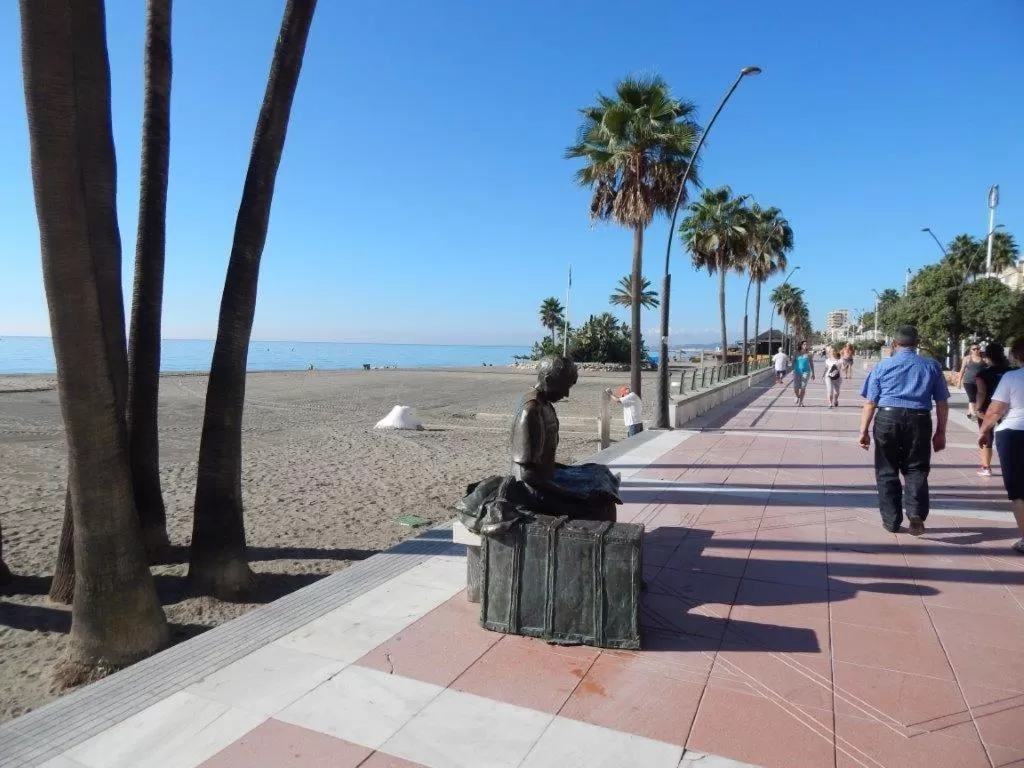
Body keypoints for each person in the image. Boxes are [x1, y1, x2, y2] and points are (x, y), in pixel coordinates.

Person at [858, 326, 950, 535]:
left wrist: (863, 431)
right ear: (916, 344)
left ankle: (891, 520)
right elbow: (942, 402)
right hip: (919, 419)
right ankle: (916, 512)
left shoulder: (883, 366)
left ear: (894, 344)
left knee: (886, 469)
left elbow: (871, 402)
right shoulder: (931, 366)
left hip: (888, 418)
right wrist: (941, 431)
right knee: (916, 468)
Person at [978, 338, 1024, 554]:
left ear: (1017, 355)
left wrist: (984, 430)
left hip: (1013, 434)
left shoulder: (1012, 378)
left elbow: (996, 410)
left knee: (1018, 490)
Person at [974, 342, 1011, 477]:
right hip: (1008, 408)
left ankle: (986, 467)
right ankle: (1009, 465)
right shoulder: (1011, 371)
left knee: (986, 436)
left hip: (988, 408)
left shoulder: (983, 374)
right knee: (1008, 436)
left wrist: (977, 408)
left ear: (988, 356)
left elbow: (981, 393)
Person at [958, 344, 985, 420]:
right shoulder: (967, 358)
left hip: (980, 382)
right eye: (974, 349)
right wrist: (959, 382)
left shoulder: (983, 359)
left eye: (978, 348)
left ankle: (969, 413)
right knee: (972, 397)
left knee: (977, 397)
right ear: (971, 350)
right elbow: (962, 370)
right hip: (968, 381)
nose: (976, 350)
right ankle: (973, 414)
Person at [792, 341, 815, 406]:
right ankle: (798, 396)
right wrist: (792, 370)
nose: (806, 345)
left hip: (806, 372)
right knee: (795, 388)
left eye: (806, 344)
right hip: (797, 372)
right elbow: (793, 362)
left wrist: (813, 373)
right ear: (801, 345)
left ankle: (801, 402)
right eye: (804, 344)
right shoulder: (796, 353)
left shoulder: (809, 354)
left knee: (803, 387)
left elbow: (811, 363)